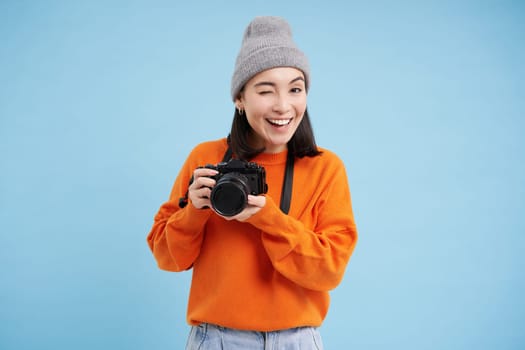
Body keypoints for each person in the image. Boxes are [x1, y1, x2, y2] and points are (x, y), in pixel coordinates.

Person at [147, 16, 358, 350]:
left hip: (297, 340)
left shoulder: (325, 168)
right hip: (216, 339)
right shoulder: (206, 158)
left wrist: (267, 218)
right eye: (265, 90)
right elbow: (167, 258)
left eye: (295, 89)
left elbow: (329, 270)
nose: (283, 105)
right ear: (239, 99)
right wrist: (194, 211)